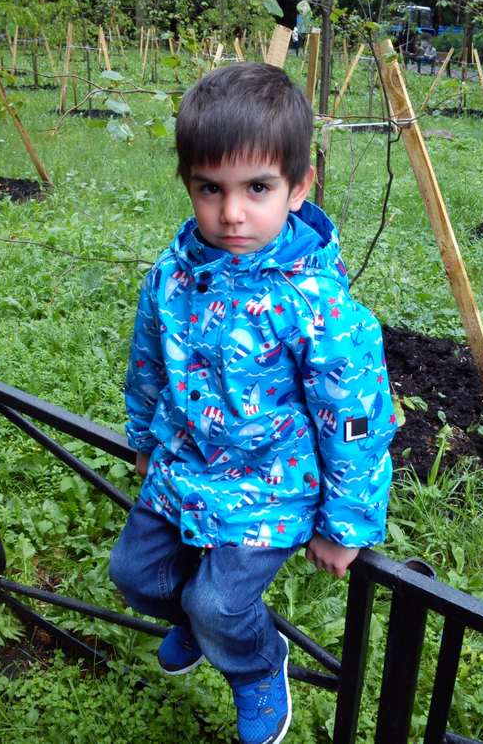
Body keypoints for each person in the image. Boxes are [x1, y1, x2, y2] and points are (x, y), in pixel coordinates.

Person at [109, 62, 397, 744]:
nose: (231, 213)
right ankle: (198, 624)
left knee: (219, 603)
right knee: (134, 575)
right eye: (210, 188)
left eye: (257, 188)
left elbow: (355, 417)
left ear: (299, 187)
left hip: (272, 485)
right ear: (188, 183)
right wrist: (145, 438)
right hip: (185, 466)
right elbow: (148, 362)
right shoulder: (173, 275)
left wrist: (345, 523)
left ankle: (257, 665)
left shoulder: (317, 305)